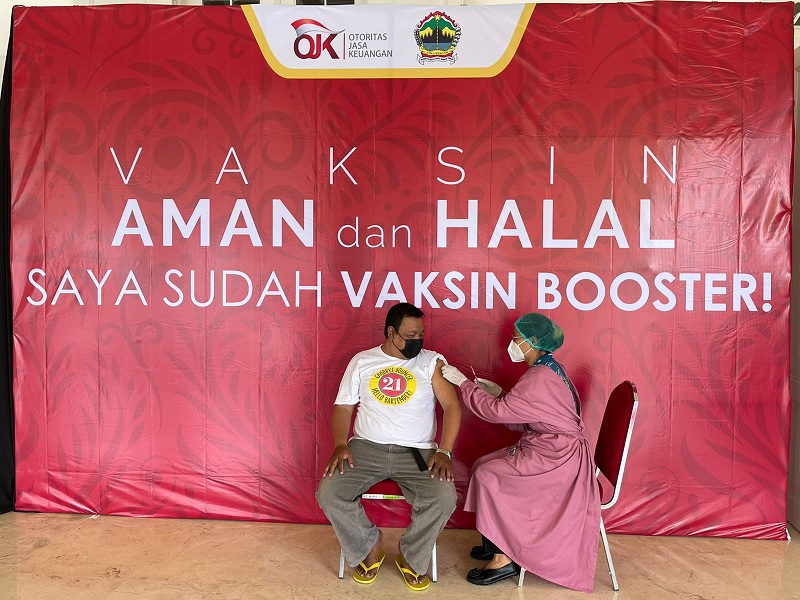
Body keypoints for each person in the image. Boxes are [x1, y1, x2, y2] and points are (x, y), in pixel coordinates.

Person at [441, 313, 600, 592]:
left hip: (557, 459)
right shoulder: (548, 368)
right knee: (482, 464)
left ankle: (503, 560)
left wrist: (464, 384)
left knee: (489, 476)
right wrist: (499, 392)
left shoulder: (539, 377)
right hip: (550, 447)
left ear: (533, 341)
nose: (512, 344)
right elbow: (528, 414)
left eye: (516, 339)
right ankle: (495, 541)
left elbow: (498, 413)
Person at [316, 302, 461, 592]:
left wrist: (444, 451)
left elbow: (452, 406)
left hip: (417, 452)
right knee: (329, 492)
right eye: (410, 335)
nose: (417, 341)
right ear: (391, 333)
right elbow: (344, 407)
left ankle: (412, 555)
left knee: (444, 497)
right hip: (367, 447)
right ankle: (368, 544)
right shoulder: (363, 361)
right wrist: (340, 444)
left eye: (421, 334)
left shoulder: (431, 362)